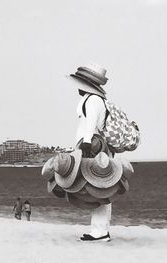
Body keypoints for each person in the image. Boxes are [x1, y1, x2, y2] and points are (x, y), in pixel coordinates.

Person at [69, 62, 113, 241]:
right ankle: (100, 230)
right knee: (98, 189)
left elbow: (91, 123)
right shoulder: (94, 99)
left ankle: (100, 232)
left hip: (93, 148)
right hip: (96, 148)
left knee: (98, 189)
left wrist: (86, 144)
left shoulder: (93, 100)